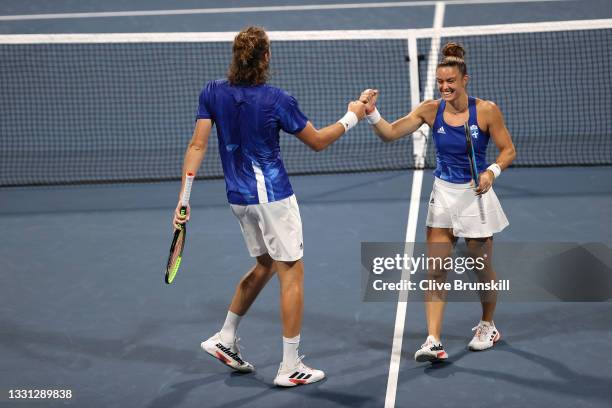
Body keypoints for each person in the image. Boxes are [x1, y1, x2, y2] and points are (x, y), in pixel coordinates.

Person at [173, 26, 367, 386]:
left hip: (239, 200)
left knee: (265, 264)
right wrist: (353, 114)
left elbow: (197, 146)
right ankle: (290, 366)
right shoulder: (278, 99)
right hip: (273, 199)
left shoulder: (212, 92)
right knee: (291, 273)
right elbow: (319, 142)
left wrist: (184, 200)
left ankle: (225, 337)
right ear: (266, 58)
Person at [360, 42, 516, 362]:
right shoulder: (430, 110)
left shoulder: (486, 110)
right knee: (435, 270)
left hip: (475, 196)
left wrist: (491, 172)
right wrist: (371, 112)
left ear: (464, 80)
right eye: (440, 82)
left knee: (480, 268)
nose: (444, 87)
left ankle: (488, 325)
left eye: (451, 82)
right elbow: (390, 133)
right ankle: (433, 340)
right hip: (443, 195)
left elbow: (508, 150)